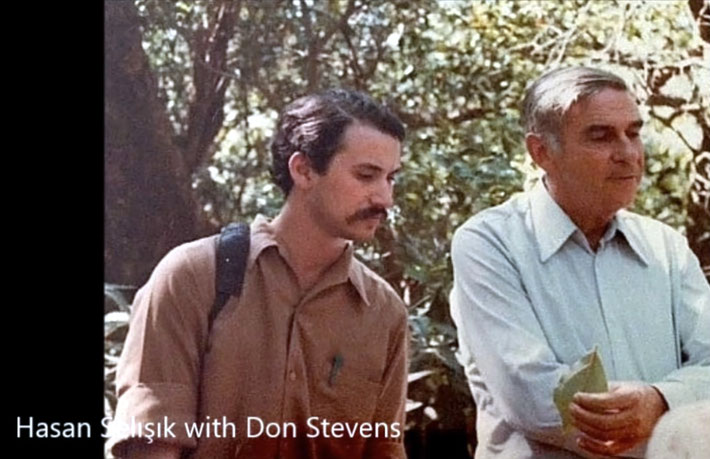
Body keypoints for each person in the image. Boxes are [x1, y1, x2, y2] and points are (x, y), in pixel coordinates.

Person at [108, 89, 409, 458]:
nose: (385, 198)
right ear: (303, 170)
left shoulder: (384, 314)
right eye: (366, 176)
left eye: (391, 178)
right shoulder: (194, 277)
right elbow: (151, 442)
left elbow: (384, 450)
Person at [449, 66, 710, 458]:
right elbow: (533, 397)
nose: (628, 153)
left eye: (634, 133)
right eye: (601, 136)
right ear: (541, 152)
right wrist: (672, 415)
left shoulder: (665, 247)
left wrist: (659, 401)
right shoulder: (490, 243)